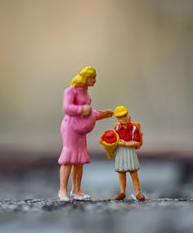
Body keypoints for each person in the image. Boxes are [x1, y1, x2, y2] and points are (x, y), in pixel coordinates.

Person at [58, 66, 113, 201]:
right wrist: (81, 109)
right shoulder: (70, 91)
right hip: (70, 127)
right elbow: (67, 108)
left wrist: (101, 114)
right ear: (85, 77)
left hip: (81, 129)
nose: (95, 80)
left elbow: (89, 113)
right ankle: (62, 190)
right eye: (92, 78)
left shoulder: (85, 92)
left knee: (79, 159)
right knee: (68, 158)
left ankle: (76, 190)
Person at [113, 106, 145, 201]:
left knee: (133, 171)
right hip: (120, 152)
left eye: (125, 115)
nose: (124, 118)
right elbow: (113, 140)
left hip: (130, 151)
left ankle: (138, 192)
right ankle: (122, 192)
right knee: (121, 172)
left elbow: (137, 142)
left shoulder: (134, 128)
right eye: (121, 117)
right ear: (118, 119)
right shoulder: (116, 128)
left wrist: (126, 143)